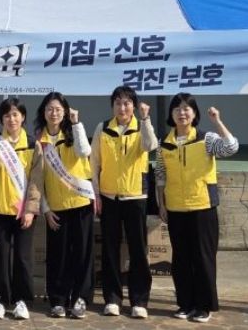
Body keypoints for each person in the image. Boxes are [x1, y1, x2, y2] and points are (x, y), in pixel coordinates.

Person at [155, 93, 239, 324]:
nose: (181, 113)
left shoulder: (206, 139)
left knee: (203, 258)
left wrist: (217, 121)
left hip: (203, 207)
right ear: (171, 114)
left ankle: (204, 306)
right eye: (177, 109)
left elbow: (231, 147)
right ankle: (185, 303)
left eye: (186, 109)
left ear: (194, 113)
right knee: (181, 259)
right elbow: (160, 174)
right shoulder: (164, 143)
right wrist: (162, 204)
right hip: (176, 208)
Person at [89, 86, 158, 319]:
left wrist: (146, 119)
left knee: (138, 249)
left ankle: (139, 300)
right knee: (110, 249)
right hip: (109, 197)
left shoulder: (142, 127)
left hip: (135, 196)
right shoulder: (103, 128)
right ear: (112, 106)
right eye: (118, 103)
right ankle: (112, 298)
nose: (122, 108)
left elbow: (151, 146)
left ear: (134, 106)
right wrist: (96, 194)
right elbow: (94, 163)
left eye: (127, 103)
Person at [32, 92, 94, 319]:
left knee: (82, 254)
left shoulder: (74, 133)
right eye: (49, 109)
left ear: (65, 112)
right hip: (56, 208)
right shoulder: (39, 140)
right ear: (43, 112)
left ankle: (79, 299)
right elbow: (37, 179)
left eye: (58, 109)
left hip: (80, 202)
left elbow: (84, 151)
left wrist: (76, 124)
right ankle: (58, 300)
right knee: (58, 256)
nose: (54, 113)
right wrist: (45, 209)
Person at [0, 98, 40, 320]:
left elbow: (36, 180)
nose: (11, 119)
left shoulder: (33, 144)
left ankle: (21, 300)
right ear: (1, 119)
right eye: (7, 115)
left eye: (15, 114)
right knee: (1, 255)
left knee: (23, 257)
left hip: (24, 210)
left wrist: (31, 209)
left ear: (23, 117)